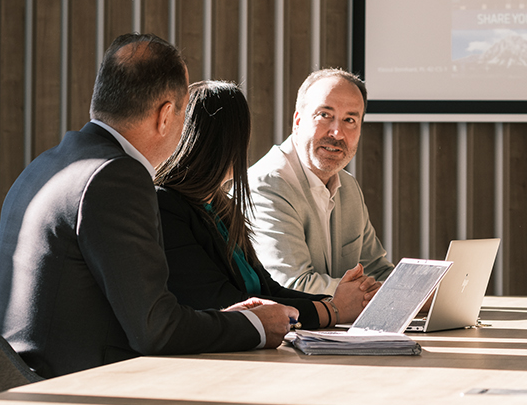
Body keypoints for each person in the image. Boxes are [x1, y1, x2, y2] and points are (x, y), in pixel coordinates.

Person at [0, 34, 297, 378]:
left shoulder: (48, 164)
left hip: (19, 377)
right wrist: (252, 325)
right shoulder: (116, 176)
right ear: (165, 116)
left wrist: (231, 319)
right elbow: (156, 330)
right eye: (182, 114)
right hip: (72, 392)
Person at [156, 80, 380, 327]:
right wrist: (334, 311)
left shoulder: (221, 208)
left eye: (350, 120)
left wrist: (335, 304)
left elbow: (270, 289)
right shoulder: (167, 206)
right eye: (324, 115)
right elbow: (227, 302)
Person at [248, 68, 393, 294]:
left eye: (350, 120)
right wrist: (390, 296)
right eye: (324, 115)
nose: (337, 132)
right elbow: (293, 285)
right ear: (297, 121)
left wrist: (418, 291)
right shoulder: (267, 185)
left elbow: (375, 270)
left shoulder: (349, 187)